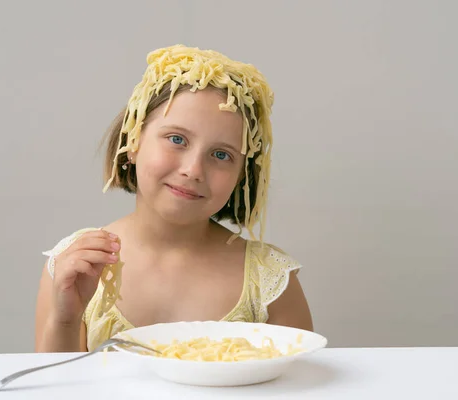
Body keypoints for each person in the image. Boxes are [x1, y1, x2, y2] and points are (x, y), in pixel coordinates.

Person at [34, 45, 313, 352]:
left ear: (241, 176)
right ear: (134, 140)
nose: (193, 170)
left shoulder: (270, 283)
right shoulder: (76, 266)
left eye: (221, 155)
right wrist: (64, 321)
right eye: (177, 139)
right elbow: (53, 386)